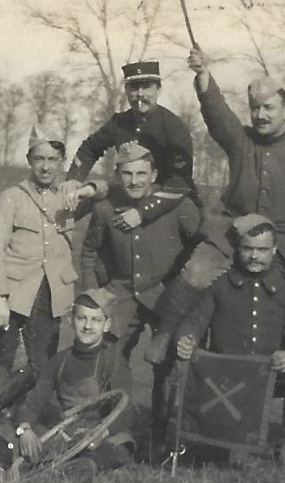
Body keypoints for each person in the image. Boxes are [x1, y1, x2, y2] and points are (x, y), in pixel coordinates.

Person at [152, 47, 285, 389]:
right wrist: (204, 76)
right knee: (196, 271)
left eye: (269, 108)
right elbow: (217, 115)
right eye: (255, 108)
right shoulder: (240, 140)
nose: (261, 115)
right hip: (232, 232)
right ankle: (163, 336)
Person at [0, 289, 136, 483]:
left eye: (95, 320)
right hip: (67, 430)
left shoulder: (114, 362)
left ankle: (81, 468)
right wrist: (25, 429)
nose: (87, 326)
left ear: (106, 325)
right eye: (81, 318)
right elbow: (33, 402)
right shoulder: (60, 361)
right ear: (71, 320)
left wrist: (101, 432)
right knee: (3, 433)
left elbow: (125, 411)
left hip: (101, 432)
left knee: (113, 449)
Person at [175, 214, 285, 467]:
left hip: (269, 373)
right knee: (217, 457)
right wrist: (187, 339)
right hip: (227, 377)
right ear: (238, 248)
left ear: (274, 249)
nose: (254, 256)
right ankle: (213, 438)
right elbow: (195, 320)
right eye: (248, 248)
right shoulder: (220, 283)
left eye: (262, 250)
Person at [0, 124, 107, 409]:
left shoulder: (69, 198)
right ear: (29, 160)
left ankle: (24, 419)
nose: (46, 166)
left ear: (62, 163)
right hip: (13, 293)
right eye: (39, 159)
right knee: (3, 358)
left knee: (42, 365)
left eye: (52, 159)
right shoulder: (11, 197)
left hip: (52, 296)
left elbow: (110, 189)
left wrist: (86, 187)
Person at [80, 141, 201, 442]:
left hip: (167, 294)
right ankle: (118, 427)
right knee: (109, 356)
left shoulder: (175, 205)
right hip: (122, 293)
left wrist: (186, 284)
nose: (134, 181)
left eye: (141, 174)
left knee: (168, 360)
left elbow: (200, 242)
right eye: (127, 174)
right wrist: (95, 296)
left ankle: (160, 432)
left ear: (154, 174)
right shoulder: (105, 208)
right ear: (117, 176)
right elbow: (89, 252)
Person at [60, 61, 200, 232]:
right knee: (80, 202)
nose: (140, 94)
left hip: (168, 200)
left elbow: (180, 182)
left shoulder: (173, 127)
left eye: (146, 87)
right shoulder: (119, 123)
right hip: (130, 193)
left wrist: (143, 212)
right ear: (126, 91)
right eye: (134, 88)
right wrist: (74, 178)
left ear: (159, 89)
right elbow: (90, 148)